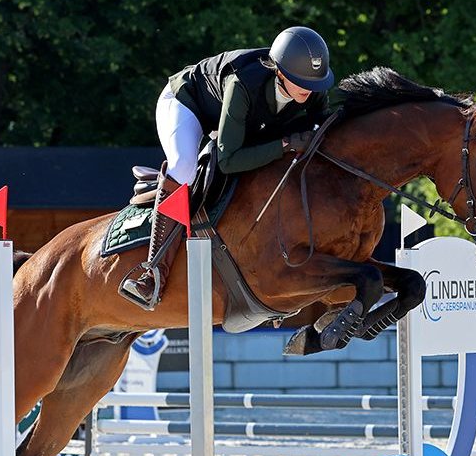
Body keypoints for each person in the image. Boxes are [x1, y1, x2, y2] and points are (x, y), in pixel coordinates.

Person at [120, 26, 336, 309]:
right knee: (184, 167)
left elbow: (325, 130)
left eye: (315, 84)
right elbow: (229, 160)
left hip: (240, 122)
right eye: (301, 82)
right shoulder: (243, 84)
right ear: (280, 73)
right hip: (187, 103)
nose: (309, 90)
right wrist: (284, 144)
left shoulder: (311, 87)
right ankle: (153, 271)